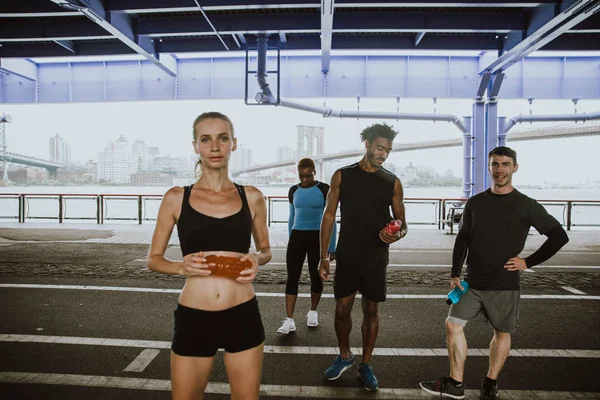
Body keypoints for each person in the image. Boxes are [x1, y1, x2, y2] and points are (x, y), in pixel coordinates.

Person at [419, 146, 569, 400]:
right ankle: (455, 383)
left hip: (504, 283)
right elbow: (463, 238)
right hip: (471, 282)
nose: (500, 169)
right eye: (495, 164)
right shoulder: (476, 203)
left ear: (515, 168)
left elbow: (559, 236)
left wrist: (528, 262)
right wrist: (455, 272)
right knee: (453, 325)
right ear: (489, 168)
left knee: (501, 333)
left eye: (505, 164)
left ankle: (490, 382)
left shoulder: (526, 205)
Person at [147, 111, 272, 400]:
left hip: (242, 313)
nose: (214, 147)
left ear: (233, 144)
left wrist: (256, 259)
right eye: (206, 139)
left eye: (222, 138)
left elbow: (265, 250)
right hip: (194, 316)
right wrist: (181, 267)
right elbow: (153, 258)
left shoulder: (251, 196)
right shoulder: (176, 197)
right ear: (196, 146)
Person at [319, 123, 408, 391]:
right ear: (367, 144)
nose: (384, 154)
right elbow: (329, 215)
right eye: (380, 148)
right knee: (341, 310)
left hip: (376, 258)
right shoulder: (342, 176)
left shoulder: (392, 181)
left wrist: (397, 233)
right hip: (347, 255)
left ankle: (366, 364)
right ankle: (345, 355)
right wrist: (324, 256)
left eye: (388, 150)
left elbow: (402, 223)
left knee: (371, 310)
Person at [277, 158, 337, 334]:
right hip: (297, 236)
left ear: (314, 172)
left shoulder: (324, 189)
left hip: (317, 238)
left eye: (308, 176)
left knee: (315, 275)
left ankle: (313, 312)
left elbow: (332, 219)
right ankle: (289, 320)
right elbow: (291, 217)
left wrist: (331, 247)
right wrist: (290, 239)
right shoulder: (293, 190)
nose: (304, 179)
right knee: (292, 277)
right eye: (301, 176)